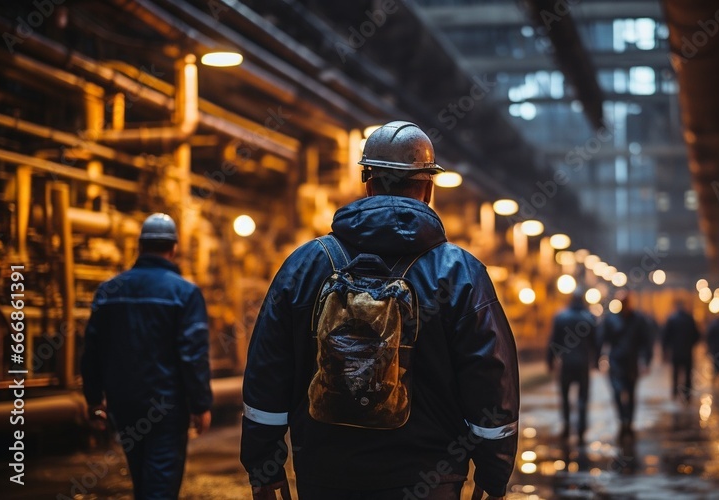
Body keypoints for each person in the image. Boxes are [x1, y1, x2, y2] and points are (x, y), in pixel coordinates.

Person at [241, 121, 519, 500]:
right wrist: (494, 470)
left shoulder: (306, 264)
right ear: (428, 188)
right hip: (429, 479)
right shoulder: (458, 272)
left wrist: (263, 465)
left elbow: (267, 370)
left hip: (327, 477)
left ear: (366, 181)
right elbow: (490, 377)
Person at [81, 213, 213, 499]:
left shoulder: (108, 290)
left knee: (141, 476)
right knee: (161, 484)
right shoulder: (185, 292)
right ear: (173, 248)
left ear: (139, 246)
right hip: (167, 407)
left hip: (123, 403)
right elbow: (193, 355)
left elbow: (91, 350)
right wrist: (201, 404)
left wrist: (93, 399)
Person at [598, 293, 654, 438]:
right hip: (616, 362)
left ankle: (629, 421)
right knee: (617, 391)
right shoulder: (611, 319)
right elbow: (602, 339)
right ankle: (622, 419)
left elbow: (646, 341)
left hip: (632, 363)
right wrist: (598, 359)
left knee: (631, 392)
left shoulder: (638, 319)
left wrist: (646, 361)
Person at [547, 291, 598, 444]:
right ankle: (581, 429)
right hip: (583, 363)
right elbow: (595, 342)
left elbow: (553, 341)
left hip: (566, 363)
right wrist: (595, 361)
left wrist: (550, 360)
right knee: (583, 397)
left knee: (565, 397)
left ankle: (567, 426)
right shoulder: (589, 318)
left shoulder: (561, 317)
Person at [661, 298, 700, 401]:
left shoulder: (672, 319)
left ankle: (674, 393)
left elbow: (666, 336)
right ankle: (687, 395)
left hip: (676, 351)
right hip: (687, 351)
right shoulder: (689, 319)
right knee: (687, 374)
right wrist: (691, 344)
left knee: (675, 373)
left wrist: (665, 350)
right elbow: (697, 335)